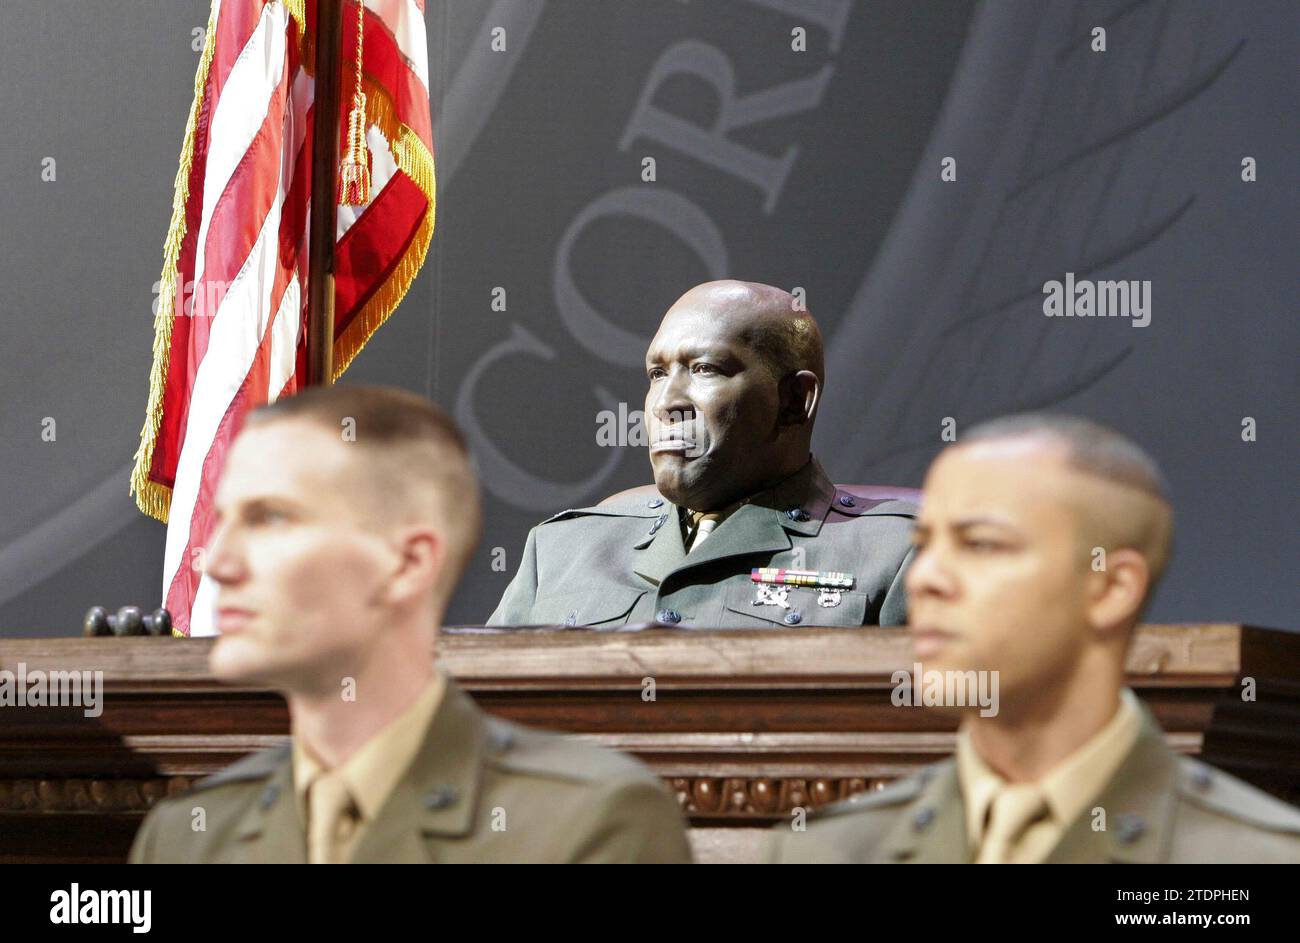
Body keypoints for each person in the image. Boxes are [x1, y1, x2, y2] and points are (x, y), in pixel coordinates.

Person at [130, 386, 690, 863]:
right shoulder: (186, 836)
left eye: (270, 518)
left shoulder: (587, 825)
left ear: (407, 563)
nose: (220, 562)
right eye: (222, 519)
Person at [770, 413, 1300, 863]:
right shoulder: (826, 851)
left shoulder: (1253, 858)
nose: (926, 578)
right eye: (926, 544)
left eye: (979, 544)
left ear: (1111, 588)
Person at [488, 279, 916, 630]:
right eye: (657, 373)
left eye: (705, 369)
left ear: (795, 400)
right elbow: (484, 715)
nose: (664, 403)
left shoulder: (895, 556)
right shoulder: (561, 549)